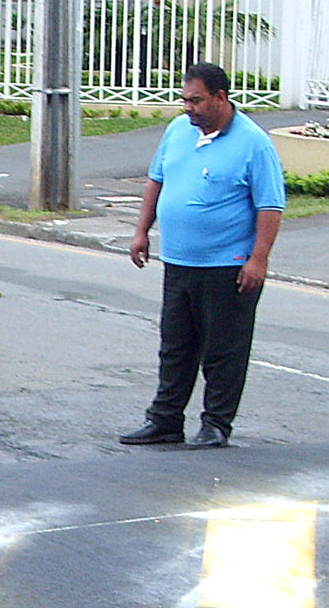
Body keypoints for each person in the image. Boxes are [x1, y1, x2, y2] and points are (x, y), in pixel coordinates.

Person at [120, 61, 285, 450]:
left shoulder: (254, 143)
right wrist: (142, 231)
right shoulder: (178, 130)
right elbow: (156, 180)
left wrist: (258, 259)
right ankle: (165, 419)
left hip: (227, 267)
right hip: (179, 262)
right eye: (185, 100)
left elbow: (270, 205)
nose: (188, 108)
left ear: (220, 98)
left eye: (196, 100)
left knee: (223, 350)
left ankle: (216, 424)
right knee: (175, 347)